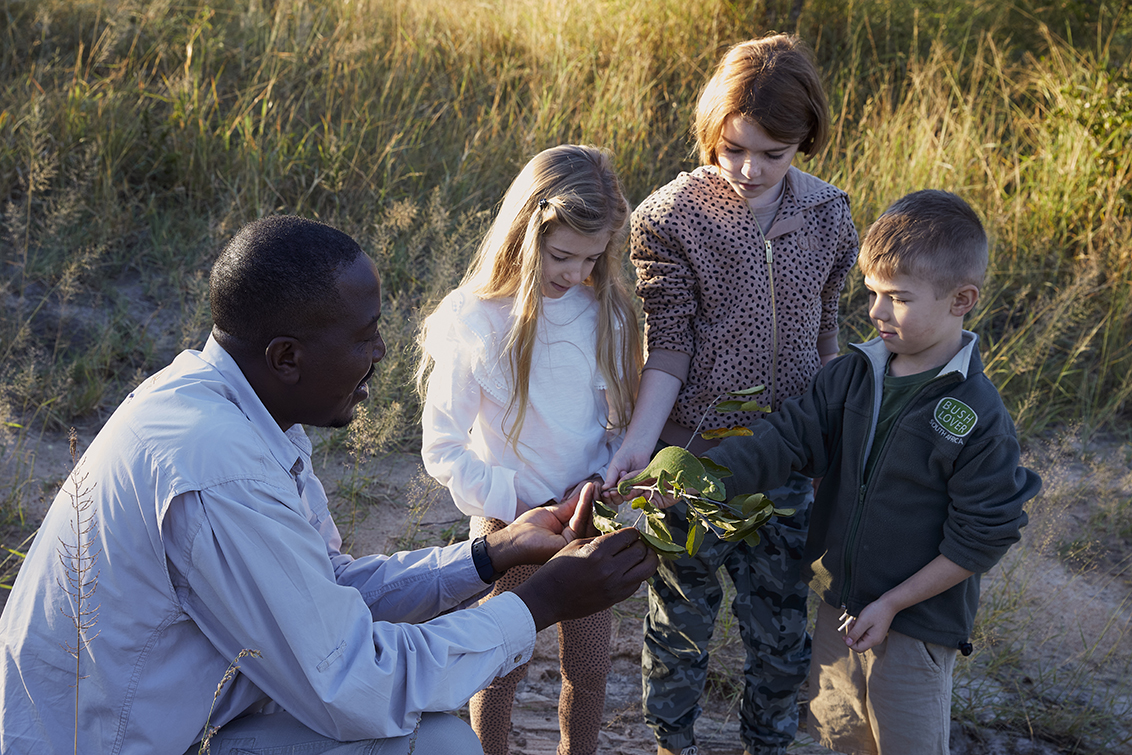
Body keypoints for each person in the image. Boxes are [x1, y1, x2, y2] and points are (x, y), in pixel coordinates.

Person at [0, 215, 659, 755]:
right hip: (112, 744)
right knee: (437, 747)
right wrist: (542, 601)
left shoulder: (230, 406)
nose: (380, 354)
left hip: (162, 725)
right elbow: (354, 682)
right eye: (364, 337)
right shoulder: (218, 468)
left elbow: (326, 589)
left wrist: (491, 554)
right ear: (286, 356)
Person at [703, 189, 1041, 754]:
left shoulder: (978, 414)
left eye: (898, 298)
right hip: (840, 609)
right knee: (840, 739)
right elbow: (785, 440)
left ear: (961, 300)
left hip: (915, 625)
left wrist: (893, 604)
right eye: (872, 293)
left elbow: (983, 535)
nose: (877, 312)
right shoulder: (853, 375)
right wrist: (697, 478)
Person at [602, 33, 859, 755]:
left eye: (773, 154)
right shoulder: (670, 218)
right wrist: (638, 445)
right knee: (679, 624)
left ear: (806, 139)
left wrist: (833, 436)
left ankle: (767, 743)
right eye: (732, 149)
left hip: (789, 458)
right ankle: (670, 744)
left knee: (780, 632)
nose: (750, 169)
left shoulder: (829, 214)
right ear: (711, 131)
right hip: (695, 458)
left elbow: (827, 334)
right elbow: (668, 347)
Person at [417, 144, 642, 755]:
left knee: (590, 669)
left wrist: (600, 481)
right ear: (524, 234)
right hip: (508, 525)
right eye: (561, 256)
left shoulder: (605, 314)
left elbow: (617, 426)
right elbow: (442, 446)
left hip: (585, 518)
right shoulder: (475, 320)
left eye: (592, 257)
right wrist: (514, 505)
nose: (576, 273)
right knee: (500, 664)